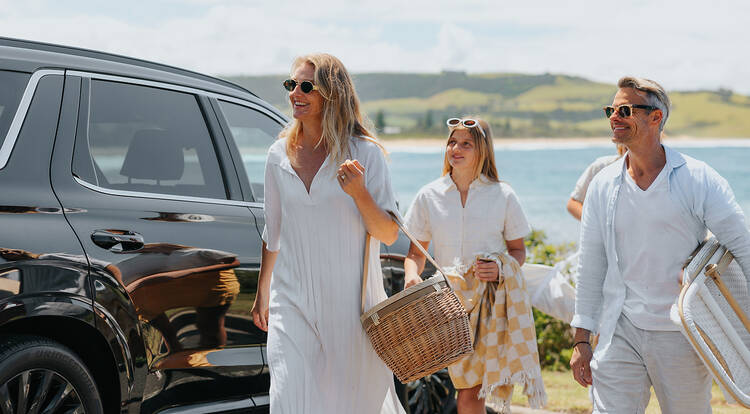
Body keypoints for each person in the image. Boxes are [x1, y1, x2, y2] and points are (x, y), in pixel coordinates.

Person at [569, 77, 750, 413]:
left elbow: (742, 246)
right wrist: (582, 338)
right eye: (611, 110)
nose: (614, 117)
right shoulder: (602, 185)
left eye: (624, 110)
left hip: (683, 331)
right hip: (619, 329)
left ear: (656, 118)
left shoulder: (698, 179)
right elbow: (591, 264)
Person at [249, 54, 404, 413]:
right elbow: (273, 230)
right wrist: (263, 292)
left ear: (331, 94)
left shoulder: (365, 154)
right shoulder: (277, 155)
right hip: (291, 301)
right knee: (289, 398)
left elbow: (389, 232)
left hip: (351, 307)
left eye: (306, 86)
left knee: (350, 405)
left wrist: (360, 193)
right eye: (291, 85)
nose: (295, 94)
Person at [403, 117, 546, 414]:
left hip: (488, 305)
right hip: (446, 306)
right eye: (452, 142)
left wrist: (501, 269)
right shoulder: (429, 195)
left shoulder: (503, 195)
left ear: (482, 149)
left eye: (466, 143)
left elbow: (518, 251)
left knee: (470, 394)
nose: (456, 148)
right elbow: (415, 253)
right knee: (461, 390)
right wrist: (411, 276)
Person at [566, 144, 626, 221]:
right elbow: (573, 203)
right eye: (627, 148)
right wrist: (596, 225)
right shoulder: (601, 166)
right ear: (620, 145)